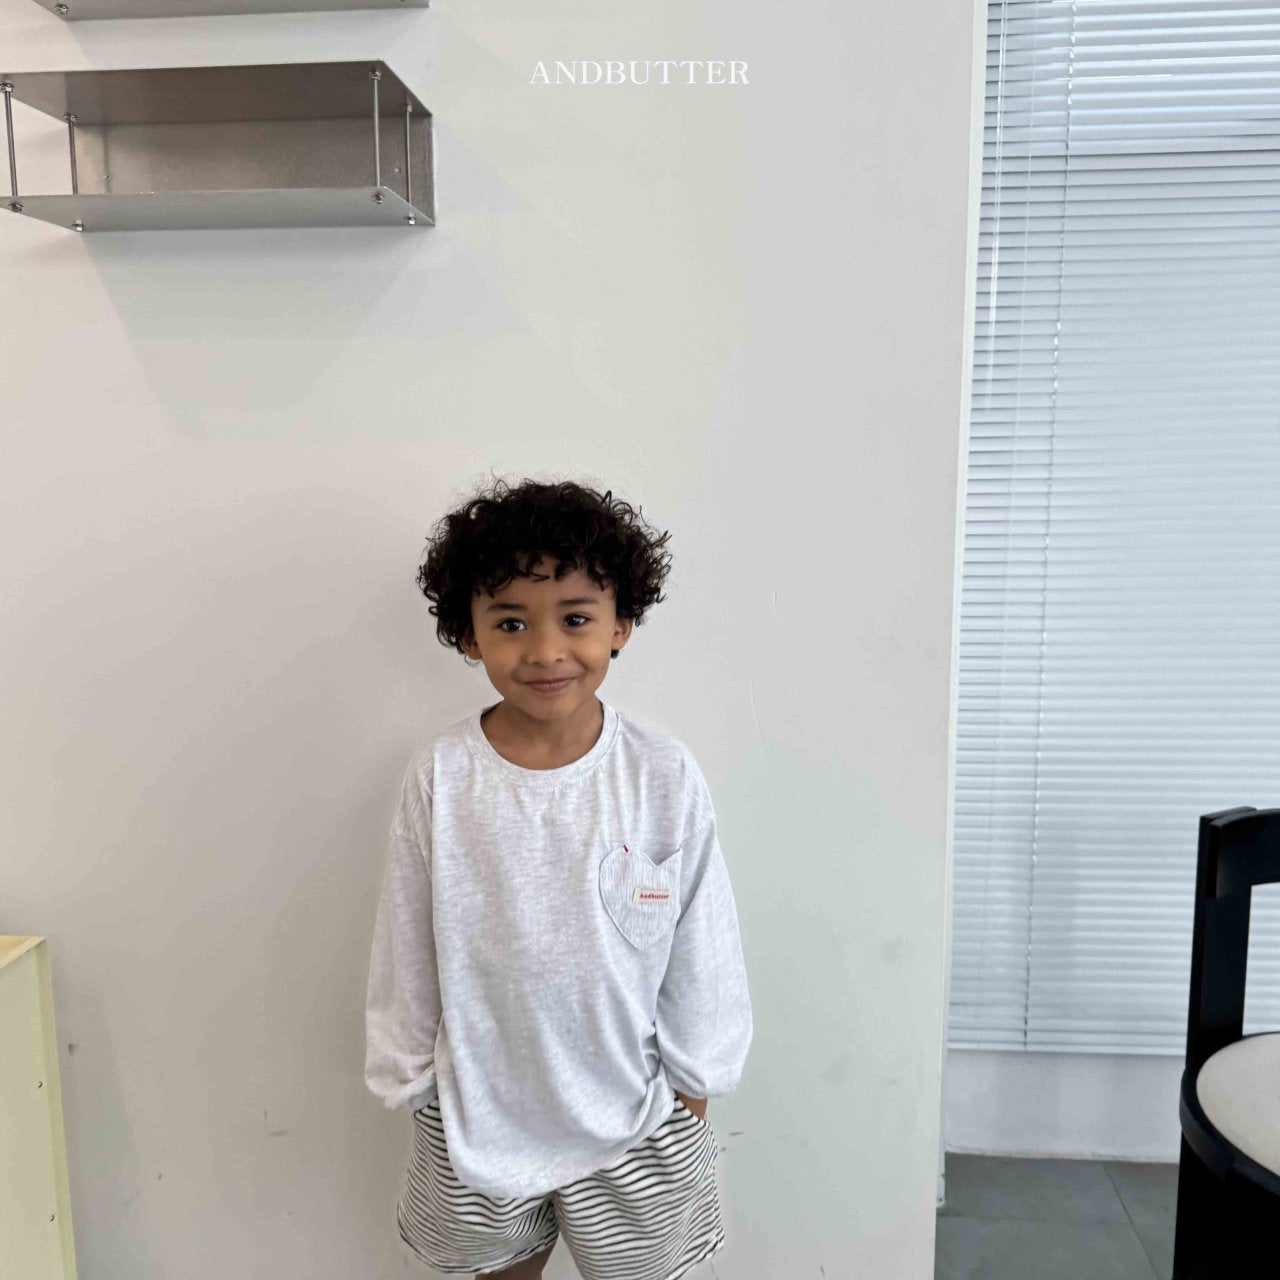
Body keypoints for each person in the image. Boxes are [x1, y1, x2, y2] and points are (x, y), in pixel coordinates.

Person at [364, 475, 753, 1280]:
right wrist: (414, 1084)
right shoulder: (442, 776)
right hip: (477, 1117)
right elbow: (406, 935)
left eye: (575, 618)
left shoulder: (661, 774)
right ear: (468, 635)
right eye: (511, 623)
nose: (544, 651)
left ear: (621, 624)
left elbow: (702, 945)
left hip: (637, 1118)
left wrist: (694, 1092)